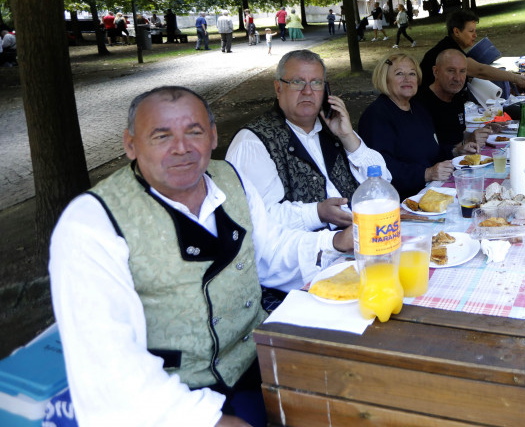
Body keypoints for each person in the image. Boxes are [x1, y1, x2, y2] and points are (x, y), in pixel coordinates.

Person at [49, 86, 331, 427]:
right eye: (161, 136)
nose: (181, 148)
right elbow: (109, 368)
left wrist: (338, 245)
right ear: (130, 145)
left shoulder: (230, 178)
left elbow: (272, 254)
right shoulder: (91, 223)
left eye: (194, 132)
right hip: (168, 403)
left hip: (258, 370)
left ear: (212, 136)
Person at [225, 50, 390, 289]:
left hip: (358, 254)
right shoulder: (254, 142)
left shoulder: (332, 129)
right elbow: (258, 222)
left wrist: (348, 137)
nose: (308, 91)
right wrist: (318, 213)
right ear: (278, 88)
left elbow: (383, 183)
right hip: (301, 278)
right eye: (297, 82)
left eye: (316, 83)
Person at [358, 52, 454, 199]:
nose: (407, 79)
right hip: (401, 201)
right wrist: (426, 174)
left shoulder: (418, 108)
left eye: (412, 73)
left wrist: (456, 151)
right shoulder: (376, 116)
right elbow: (382, 168)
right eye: (399, 74)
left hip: (431, 192)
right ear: (385, 79)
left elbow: (430, 150)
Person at [419, 9, 525, 92]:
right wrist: (515, 78)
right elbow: (480, 71)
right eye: (471, 31)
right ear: (456, 31)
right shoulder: (448, 51)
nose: (475, 35)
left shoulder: (449, 46)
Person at [413, 49, 490, 153]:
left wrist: (485, 130)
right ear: (436, 71)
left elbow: (457, 135)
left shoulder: (456, 95)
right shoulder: (420, 103)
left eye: (462, 71)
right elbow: (427, 149)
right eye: (451, 71)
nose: (458, 78)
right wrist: (463, 144)